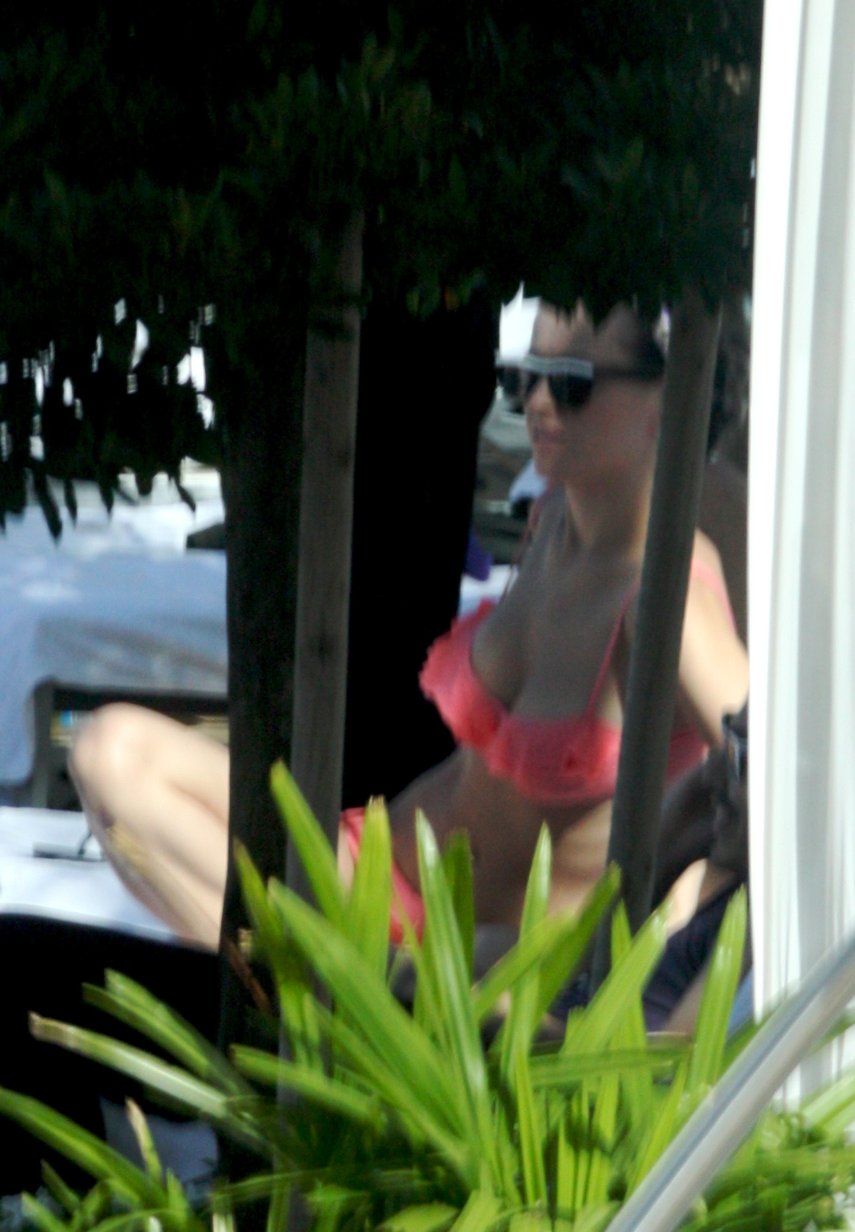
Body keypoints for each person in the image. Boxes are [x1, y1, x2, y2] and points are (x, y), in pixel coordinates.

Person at [70, 299, 748, 950]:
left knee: (135, 786)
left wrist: (697, 889)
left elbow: (773, 779)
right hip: (372, 871)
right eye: (523, 379)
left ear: (668, 397)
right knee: (109, 755)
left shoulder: (667, 599)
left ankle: (300, 987)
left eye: (571, 384)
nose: (539, 404)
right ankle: (288, 979)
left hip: (466, 962)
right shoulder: (551, 523)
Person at [643, 701, 750, 1032]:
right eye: (726, 737)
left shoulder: (765, 929)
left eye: (740, 756)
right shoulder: (734, 898)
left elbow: (674, 1056)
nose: (710, 771)